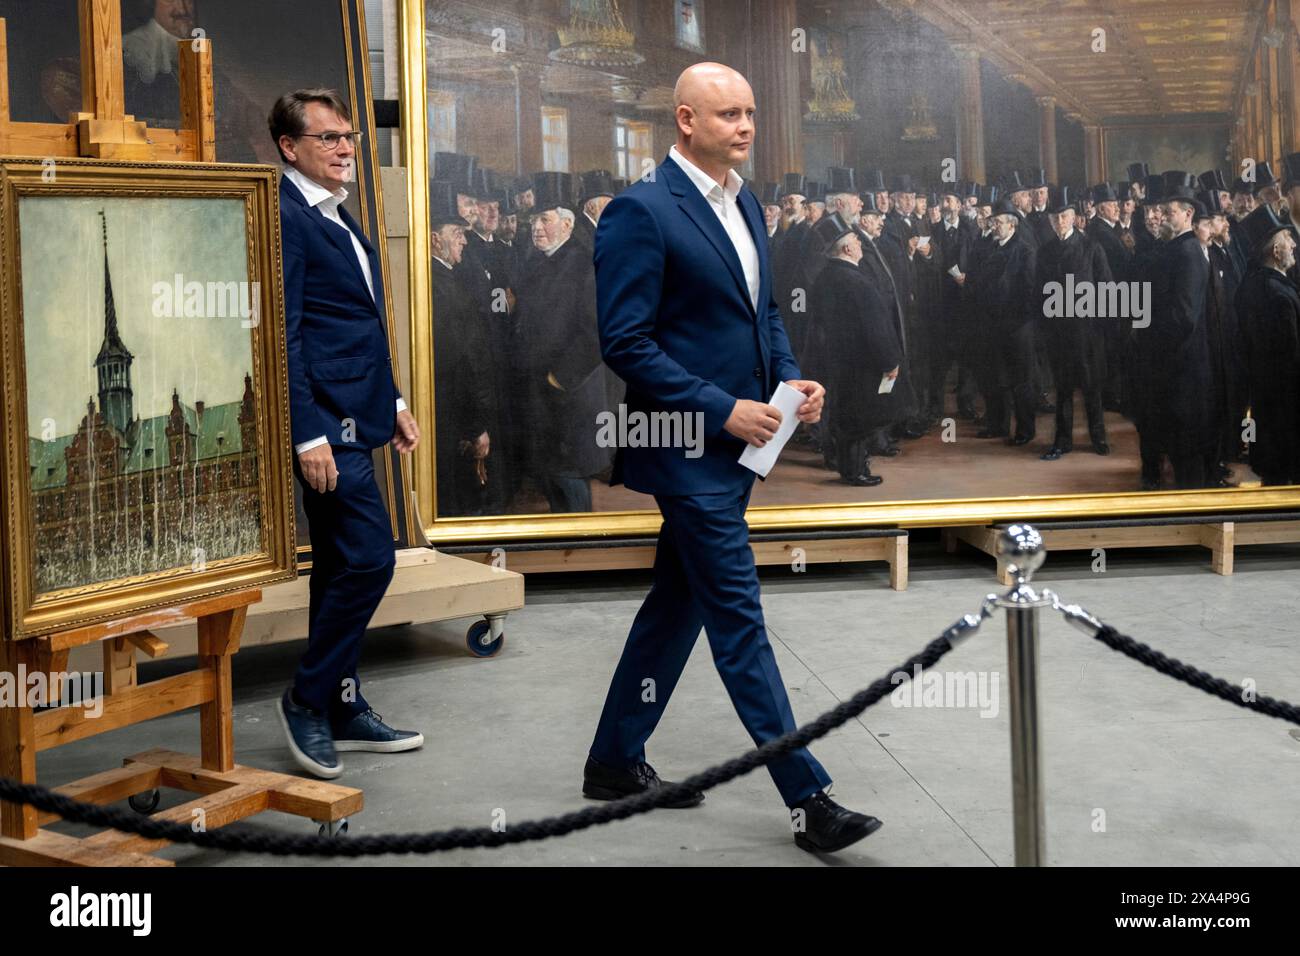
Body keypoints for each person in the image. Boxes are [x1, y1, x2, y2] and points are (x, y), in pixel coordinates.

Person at [586, 62, 881, 854]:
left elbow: (765, 313)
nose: (746, 126)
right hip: (686, 450)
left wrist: (791, 382)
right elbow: (625, 343)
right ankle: (808, 798)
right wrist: (724, 409)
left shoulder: (744, 199)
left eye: (750, 111)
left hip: (740, 447)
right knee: (739, 621)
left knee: (676, 605)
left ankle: (614, 761)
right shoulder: (639, 213)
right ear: (685, 120)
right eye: (728, 115)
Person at [271, 89, 423, 778]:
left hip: (361, 417)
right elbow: (285, 335)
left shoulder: (338, 216)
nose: (344, 149)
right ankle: (307, 698)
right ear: (288, 146)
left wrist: (391, 401)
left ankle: (342, 702)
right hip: (326, 426)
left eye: (349, 137)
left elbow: (356, 324)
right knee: (370, 559)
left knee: (338, 565)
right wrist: (308, 434)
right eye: (328, 138)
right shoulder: (284, 216)